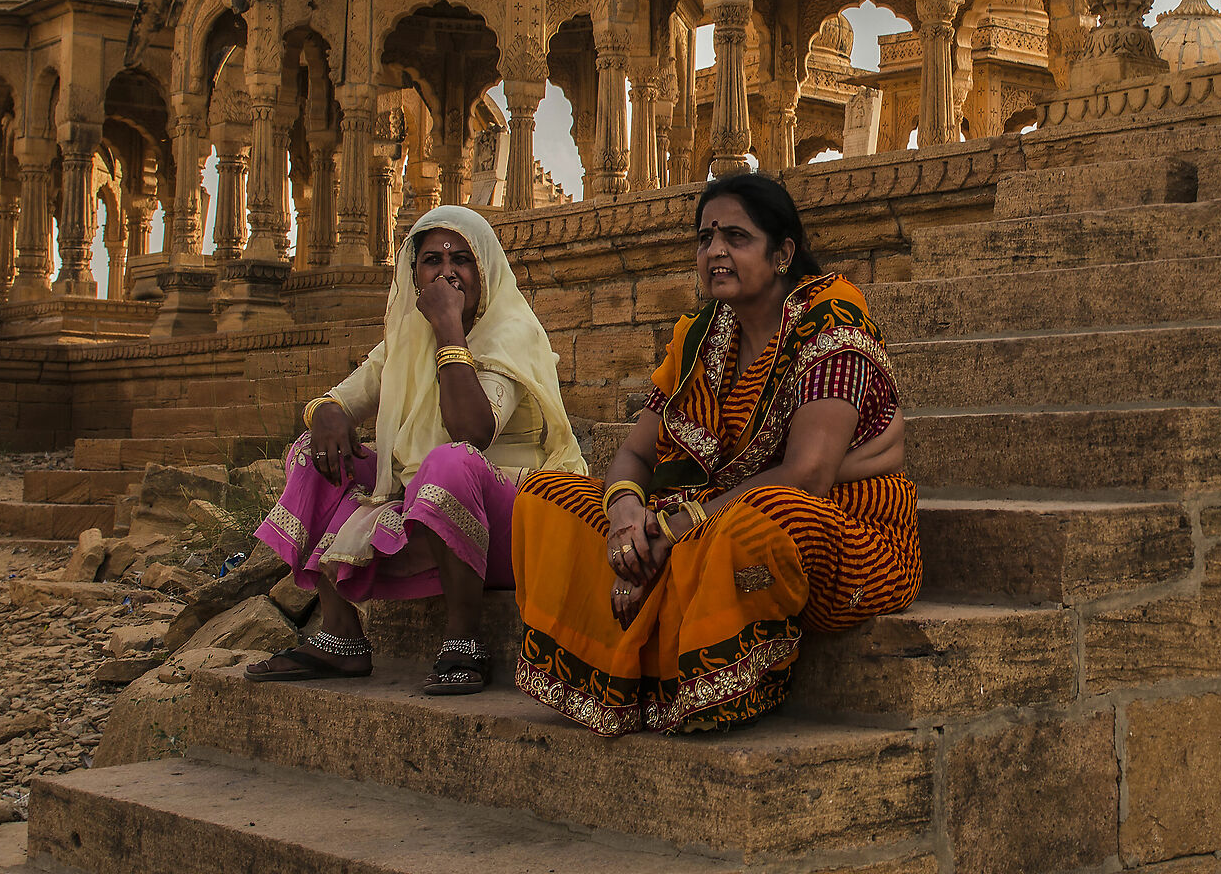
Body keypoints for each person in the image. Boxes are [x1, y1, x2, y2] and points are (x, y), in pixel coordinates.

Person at [511, 173, 920, 736]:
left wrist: (680, 524)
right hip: (698, 511)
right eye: (706, 238)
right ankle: (623, 664)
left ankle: (710, 677)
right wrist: (626, 517)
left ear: (783, 253)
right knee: (543, 497)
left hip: (833, 524)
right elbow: (635, 453)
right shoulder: (699, 337)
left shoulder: (832, 320)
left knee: (747, 533)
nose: (716, 252)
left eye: (737, 236)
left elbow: (806, 476)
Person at [253, 203, 585, 695]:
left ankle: (463, 640)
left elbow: (472, 432)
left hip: (513, 530)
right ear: (415, 274)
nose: (447, 272)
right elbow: (345, 399)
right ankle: (341, 636)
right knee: (311, 452)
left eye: (462, 260)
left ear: (485, 270)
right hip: (425, 516)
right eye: (433, 260)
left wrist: (450, 331)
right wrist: (324, 411)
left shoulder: (511, 333)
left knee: (450, 460)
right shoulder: (406, 336)